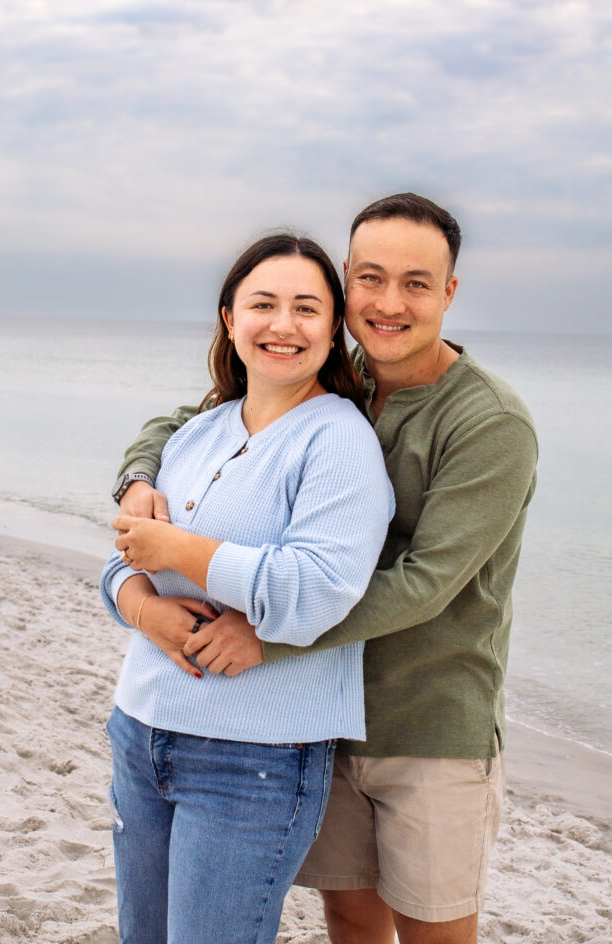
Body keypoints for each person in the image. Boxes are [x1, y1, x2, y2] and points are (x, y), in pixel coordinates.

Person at [114, 193, 538, 944]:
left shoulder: (486, 423)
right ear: (348, 279)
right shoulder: (343, 375)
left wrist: (269, 638)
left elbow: (424, 583)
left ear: (448, 293)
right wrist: (138, 478)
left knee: (433, 928)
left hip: (425, 719)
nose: (388, 302)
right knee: (348, 916)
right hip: (326, 716)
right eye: (371, 278)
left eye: (416, 283)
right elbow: (191, 421)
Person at [100, 232, 394, 944]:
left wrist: (181, 550)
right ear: (230, 318)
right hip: (140, 730)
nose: (283, 325)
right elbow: (120, 559)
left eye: (305, 308)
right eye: (262, 304)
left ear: (333, 330)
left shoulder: (338, 441)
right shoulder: (196, 433)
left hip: (253, 758)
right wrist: (145, 610)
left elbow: (316, 594)